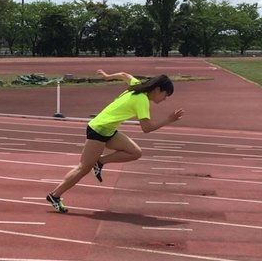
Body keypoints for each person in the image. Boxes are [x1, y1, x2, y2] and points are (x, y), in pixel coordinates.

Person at [46, 69, 184, 213]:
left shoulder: (137, 85)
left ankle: (100, 161)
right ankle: (54, 195)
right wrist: (169, 120)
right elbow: (147, 128)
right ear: (157, 89)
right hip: (99, 129)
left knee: (135, 152)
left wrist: (107, 77)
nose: (164, 99)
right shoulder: (142, 100)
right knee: (83, 168)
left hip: (109, 130)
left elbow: (125, 75)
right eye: (165, 95)